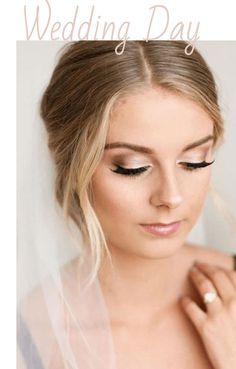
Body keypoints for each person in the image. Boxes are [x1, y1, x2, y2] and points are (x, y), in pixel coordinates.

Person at [17, 40, 236, 369]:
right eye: (132, 167)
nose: (171, 196)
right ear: (70, 164)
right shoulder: (29, 339)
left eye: (194, 162)